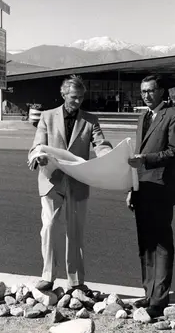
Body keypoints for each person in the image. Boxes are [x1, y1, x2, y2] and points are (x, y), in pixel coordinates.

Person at [28, 75, 112, 292]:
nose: (78, 101)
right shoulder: (47, 117)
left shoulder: (90, 120)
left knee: (75, 232)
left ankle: (75, 281)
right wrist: (39, 157)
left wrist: (109, 156)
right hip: (51, 181)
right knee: (49, 228)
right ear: (63, 95)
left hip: (78, 182)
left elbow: (101, 143)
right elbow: (37, 145)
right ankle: (48, 276)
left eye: (81, 97)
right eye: (74, 97)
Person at [127, 74, 175, 318]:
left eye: (150, 90)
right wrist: (131, 188)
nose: (146, 95)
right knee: (145, 244)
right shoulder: (144, 117)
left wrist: (147, 160)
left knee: (161, 244)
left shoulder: (174, 116)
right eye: (143, 91)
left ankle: (159, 299)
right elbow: (138, 154)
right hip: (142, 188)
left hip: (161, 188)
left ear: (162, 91)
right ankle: (148, 292)